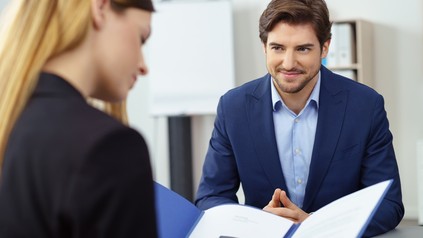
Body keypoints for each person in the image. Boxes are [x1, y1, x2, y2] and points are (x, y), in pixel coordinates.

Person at [195, 0, 404, 237]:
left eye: (303, 49)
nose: (288, 63)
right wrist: (255, 223)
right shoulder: (233, 107)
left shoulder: (365, 106)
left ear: (325, 48)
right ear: (264, 46)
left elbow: (389, 204)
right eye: (278, 48)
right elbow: (210, 198)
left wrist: (317, 223)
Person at [0, 0, 157, 237]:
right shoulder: (110, 146)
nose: (143, 66)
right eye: (141, 37)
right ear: (100, 8)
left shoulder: (12, 120)